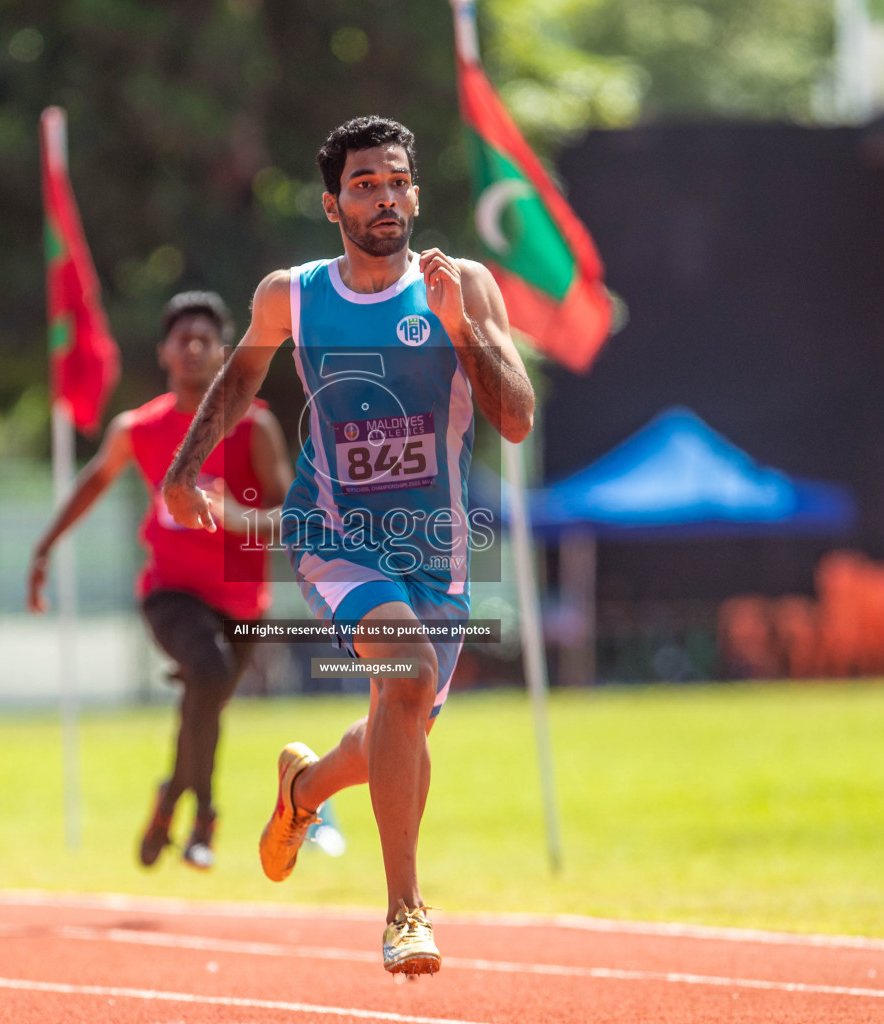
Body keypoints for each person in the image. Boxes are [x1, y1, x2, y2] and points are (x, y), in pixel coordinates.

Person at [164, 116, 534, 974]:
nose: (385, 197)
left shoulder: (463, 285)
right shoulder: (290, 296)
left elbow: (515, 419)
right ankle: (406, 912)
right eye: (365, 184)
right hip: (335, 532)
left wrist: (460, 327)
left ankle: (304, 789)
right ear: (333, 205)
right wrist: (185, 472)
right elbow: (242, 378)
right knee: (402, 675)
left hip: (434, 546)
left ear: (416, 193)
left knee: (397, 729)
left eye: (397, 181)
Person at [28, 291, 292, 871]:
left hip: (241, 600)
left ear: (223, 353)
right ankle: (204, 820)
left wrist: (235, 518)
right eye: (183, 339)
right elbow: (92, 485)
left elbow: (294, 517)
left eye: (206, 340)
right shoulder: (139, 428)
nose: (194, 348)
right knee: (209, 673)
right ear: (165, 352)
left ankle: (169, 799)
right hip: (170, 590)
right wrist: (44, 549)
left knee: (205, 703)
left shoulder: (256, 426)